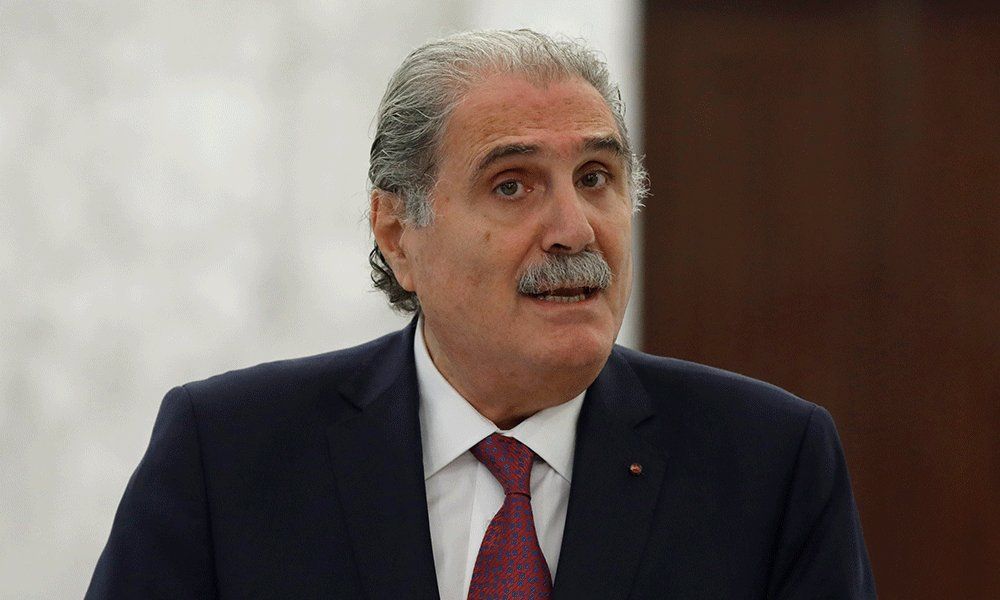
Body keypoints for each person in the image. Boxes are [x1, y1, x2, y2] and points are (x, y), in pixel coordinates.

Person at [86, 29, 875, 599]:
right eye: (513, 185)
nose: (574, 229)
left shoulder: (768, 462)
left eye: (595, 177)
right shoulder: (228, 453)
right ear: (398, 232)